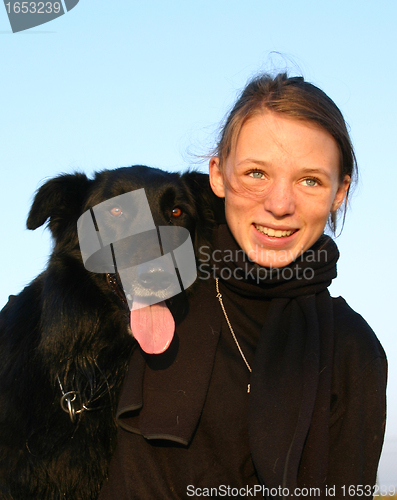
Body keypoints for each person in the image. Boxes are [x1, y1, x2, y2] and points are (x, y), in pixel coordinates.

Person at [98, 73, 387, 499]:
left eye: (310, 180)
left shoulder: (353, 349)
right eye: (256, 173)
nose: (280, 205)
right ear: (217, 174)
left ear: (339, 192)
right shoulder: (141, 301)